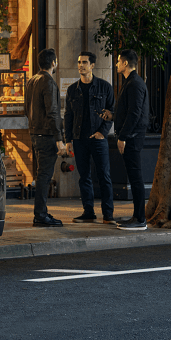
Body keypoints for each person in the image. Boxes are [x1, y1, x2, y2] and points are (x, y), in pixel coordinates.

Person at [64, 51, 115, 223]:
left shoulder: (105, 87)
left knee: (104, 176)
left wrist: (102, 132)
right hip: (79, 139)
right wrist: (68, 139)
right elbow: (68, 116)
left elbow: (112, 112)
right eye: (79, 62)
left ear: (92, 65)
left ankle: (108, 214)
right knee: (84, 176)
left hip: (98, 139)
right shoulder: (73, 90)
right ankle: (88, 212)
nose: (80, 65)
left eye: (84, 62)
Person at [26, 48, 66, 227]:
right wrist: (59, 138)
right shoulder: (48, 82)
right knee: (44, 175)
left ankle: (41, 212)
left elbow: (27, 108)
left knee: (41, 174)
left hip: (35, 133)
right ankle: (40, 215)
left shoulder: (32, 80)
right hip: (47, 134)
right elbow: (53, 111)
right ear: (54, 63)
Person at [113, 50, 150, 228]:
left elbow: (134, 113)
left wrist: (123, 137)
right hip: (131, 136)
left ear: (126, 63)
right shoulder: (131, 82)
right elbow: (128, 111)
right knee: (134, 177)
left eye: (118, 61)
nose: (116, 64)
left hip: (132, 138)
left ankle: (140, 219)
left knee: (135, 178)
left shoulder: (135, 83)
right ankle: (137, 216)